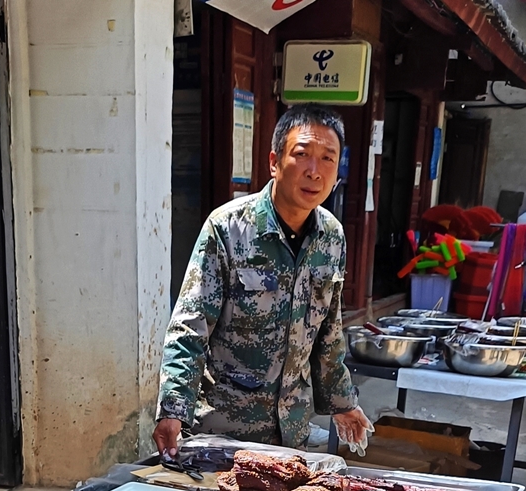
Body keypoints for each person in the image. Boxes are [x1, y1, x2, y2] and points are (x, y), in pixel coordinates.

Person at [153, 104, 372, 457]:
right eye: (302, 154)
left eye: (328, 158)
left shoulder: (332, 237)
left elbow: (329, 332)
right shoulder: (228, 228)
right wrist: (173, 410)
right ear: (274, 161)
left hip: (292, 434)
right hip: (225, 431)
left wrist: (343, 402)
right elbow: (190, 327)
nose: (314, 171)